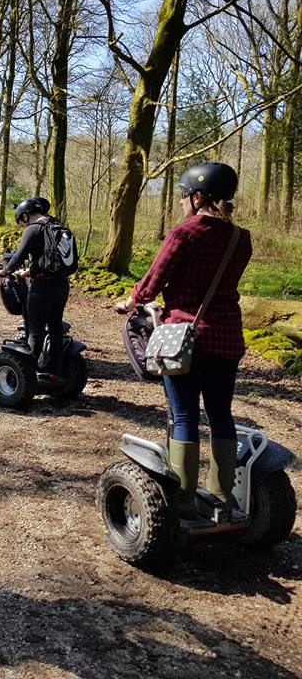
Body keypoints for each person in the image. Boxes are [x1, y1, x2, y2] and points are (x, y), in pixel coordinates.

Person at [115, 163, 252, 521]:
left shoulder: (185, 234)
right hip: (227, 337)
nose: (180, 203)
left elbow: (153, 281)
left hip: (186, 337)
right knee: (221, 412)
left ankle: (185, 502)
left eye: (183, 196)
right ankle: (222, 496)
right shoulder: (241, 238)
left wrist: (131, 301)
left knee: (184, 415)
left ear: (198, 196)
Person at [0, 196, 69, 372]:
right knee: (55, 328)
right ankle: (53, 370)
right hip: (62, 285)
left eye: (21, 222)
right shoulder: (58, 226)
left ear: (25, 216)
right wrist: (30, 271)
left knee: (34, 329)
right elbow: (51, 259)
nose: (23, 226)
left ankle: (30, 372)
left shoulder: (33, 229)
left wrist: (6, 270)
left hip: (42, 288)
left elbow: (19, 255)